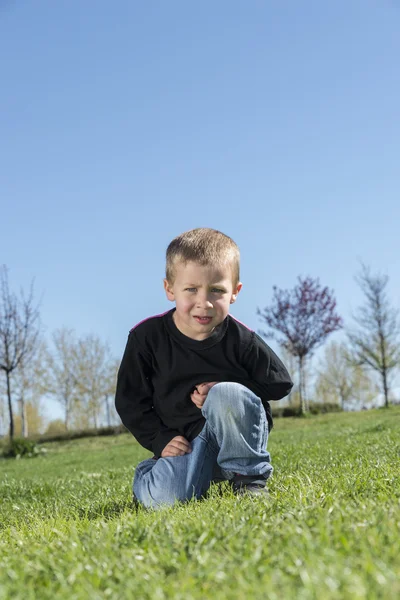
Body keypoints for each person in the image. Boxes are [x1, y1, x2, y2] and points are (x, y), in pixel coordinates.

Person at [115, 228, 293, 509]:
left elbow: (279, 383)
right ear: (169, 288)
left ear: (235, 292)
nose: (204, 302)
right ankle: (151, 475)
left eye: (217, 290)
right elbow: (130, 401)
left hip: (235, 440)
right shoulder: (146, 338)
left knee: (227, 394)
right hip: (185, 442)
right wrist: (160, 439)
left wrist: (225, 387)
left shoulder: (241, 338)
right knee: (167, 500)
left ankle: (248, 480)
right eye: (191, 289)